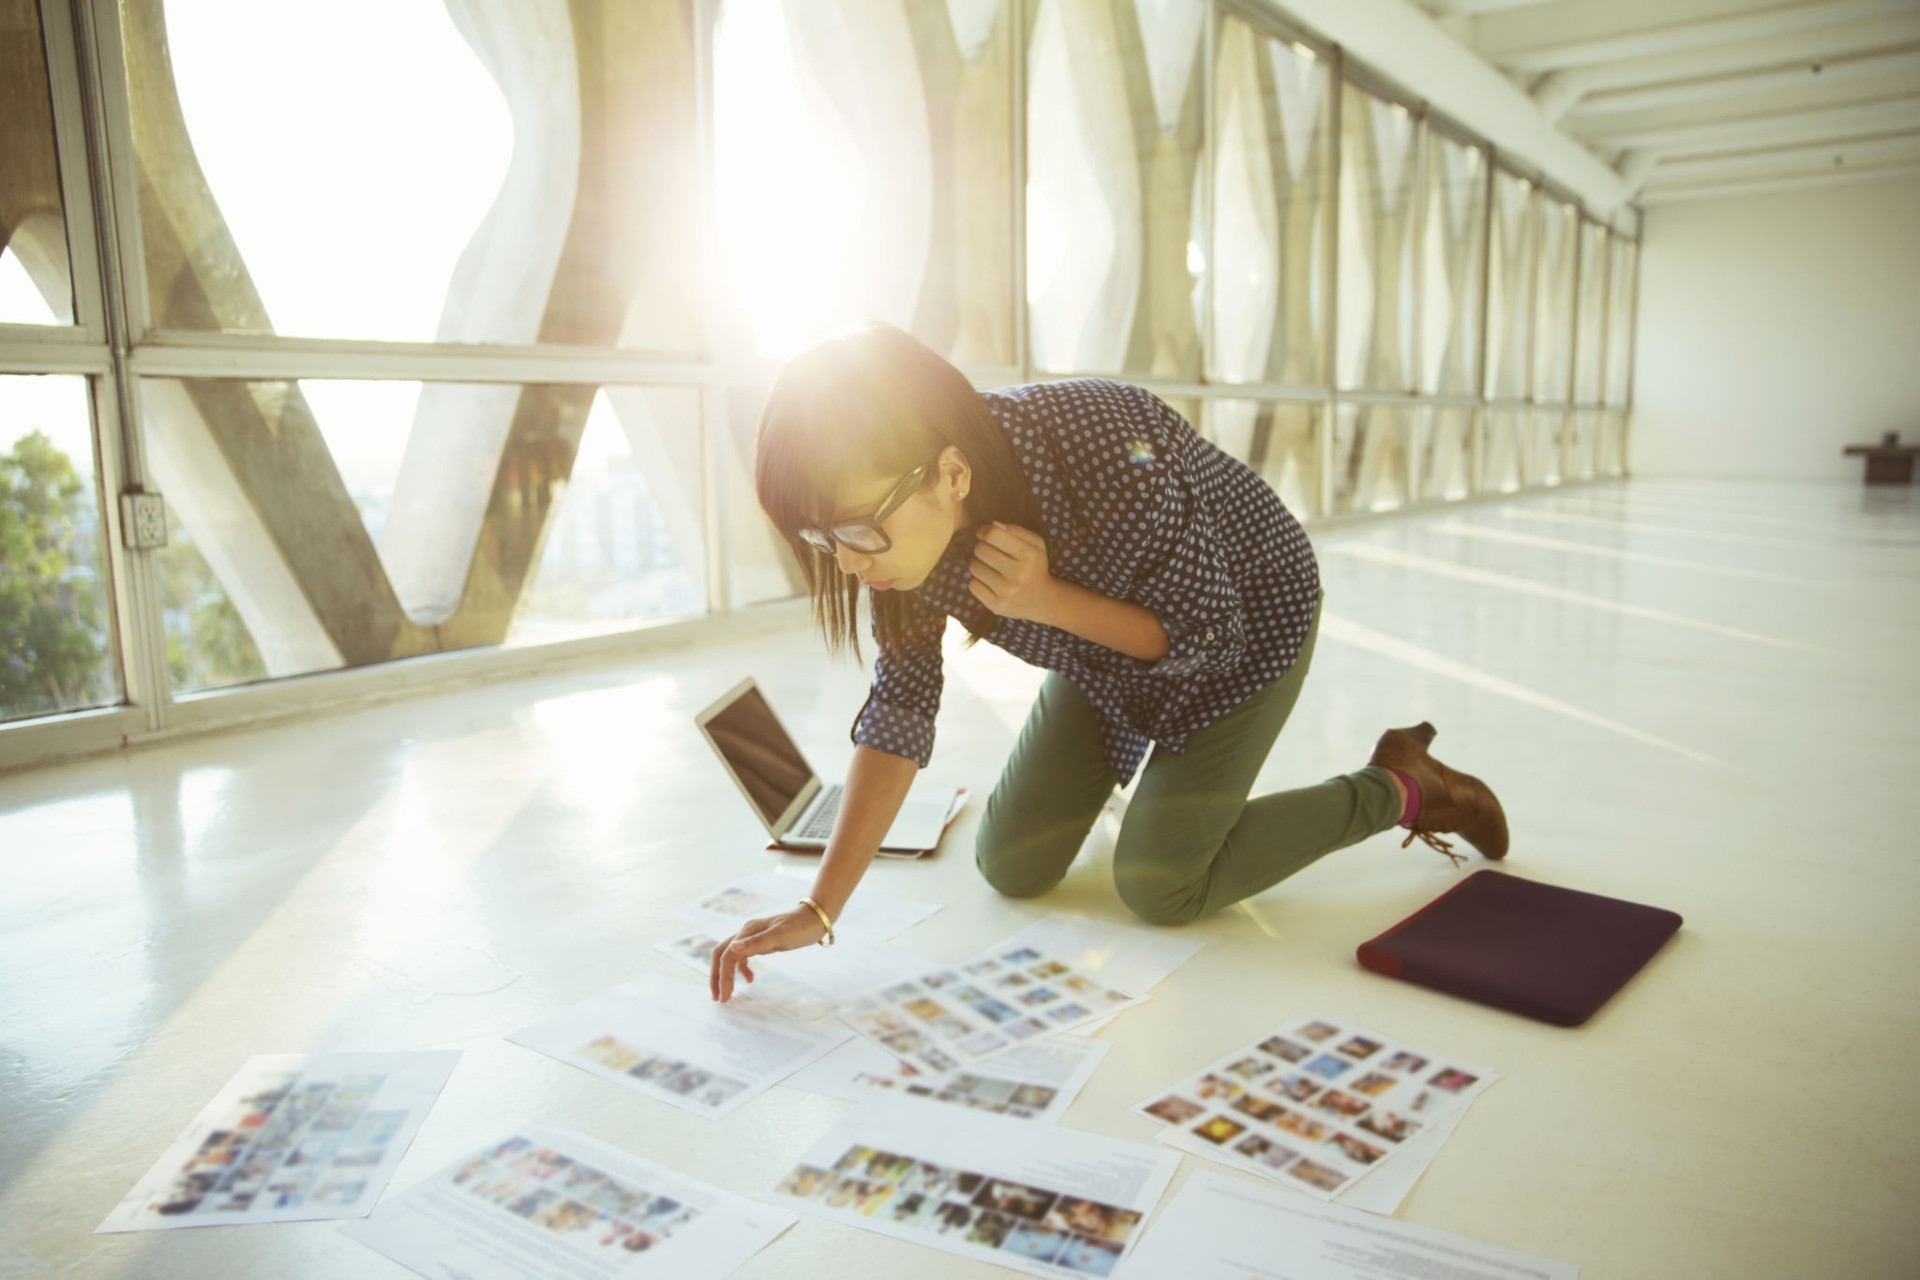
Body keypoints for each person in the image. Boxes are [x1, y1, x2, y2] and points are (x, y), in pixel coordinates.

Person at [709, 323, 1506, 1001]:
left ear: (950, 474)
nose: (846, 564)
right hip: (1099, 654)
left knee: (1160, 883)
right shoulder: (897, 549)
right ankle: (1158, 792)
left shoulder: (1107, 444)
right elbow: (901, 707)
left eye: (853, 532)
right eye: (820, 540)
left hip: (1249, 623)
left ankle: (1404, 786)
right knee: (1010, 864)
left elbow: (1208, 637)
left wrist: (1049, 601)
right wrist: (820, 910)